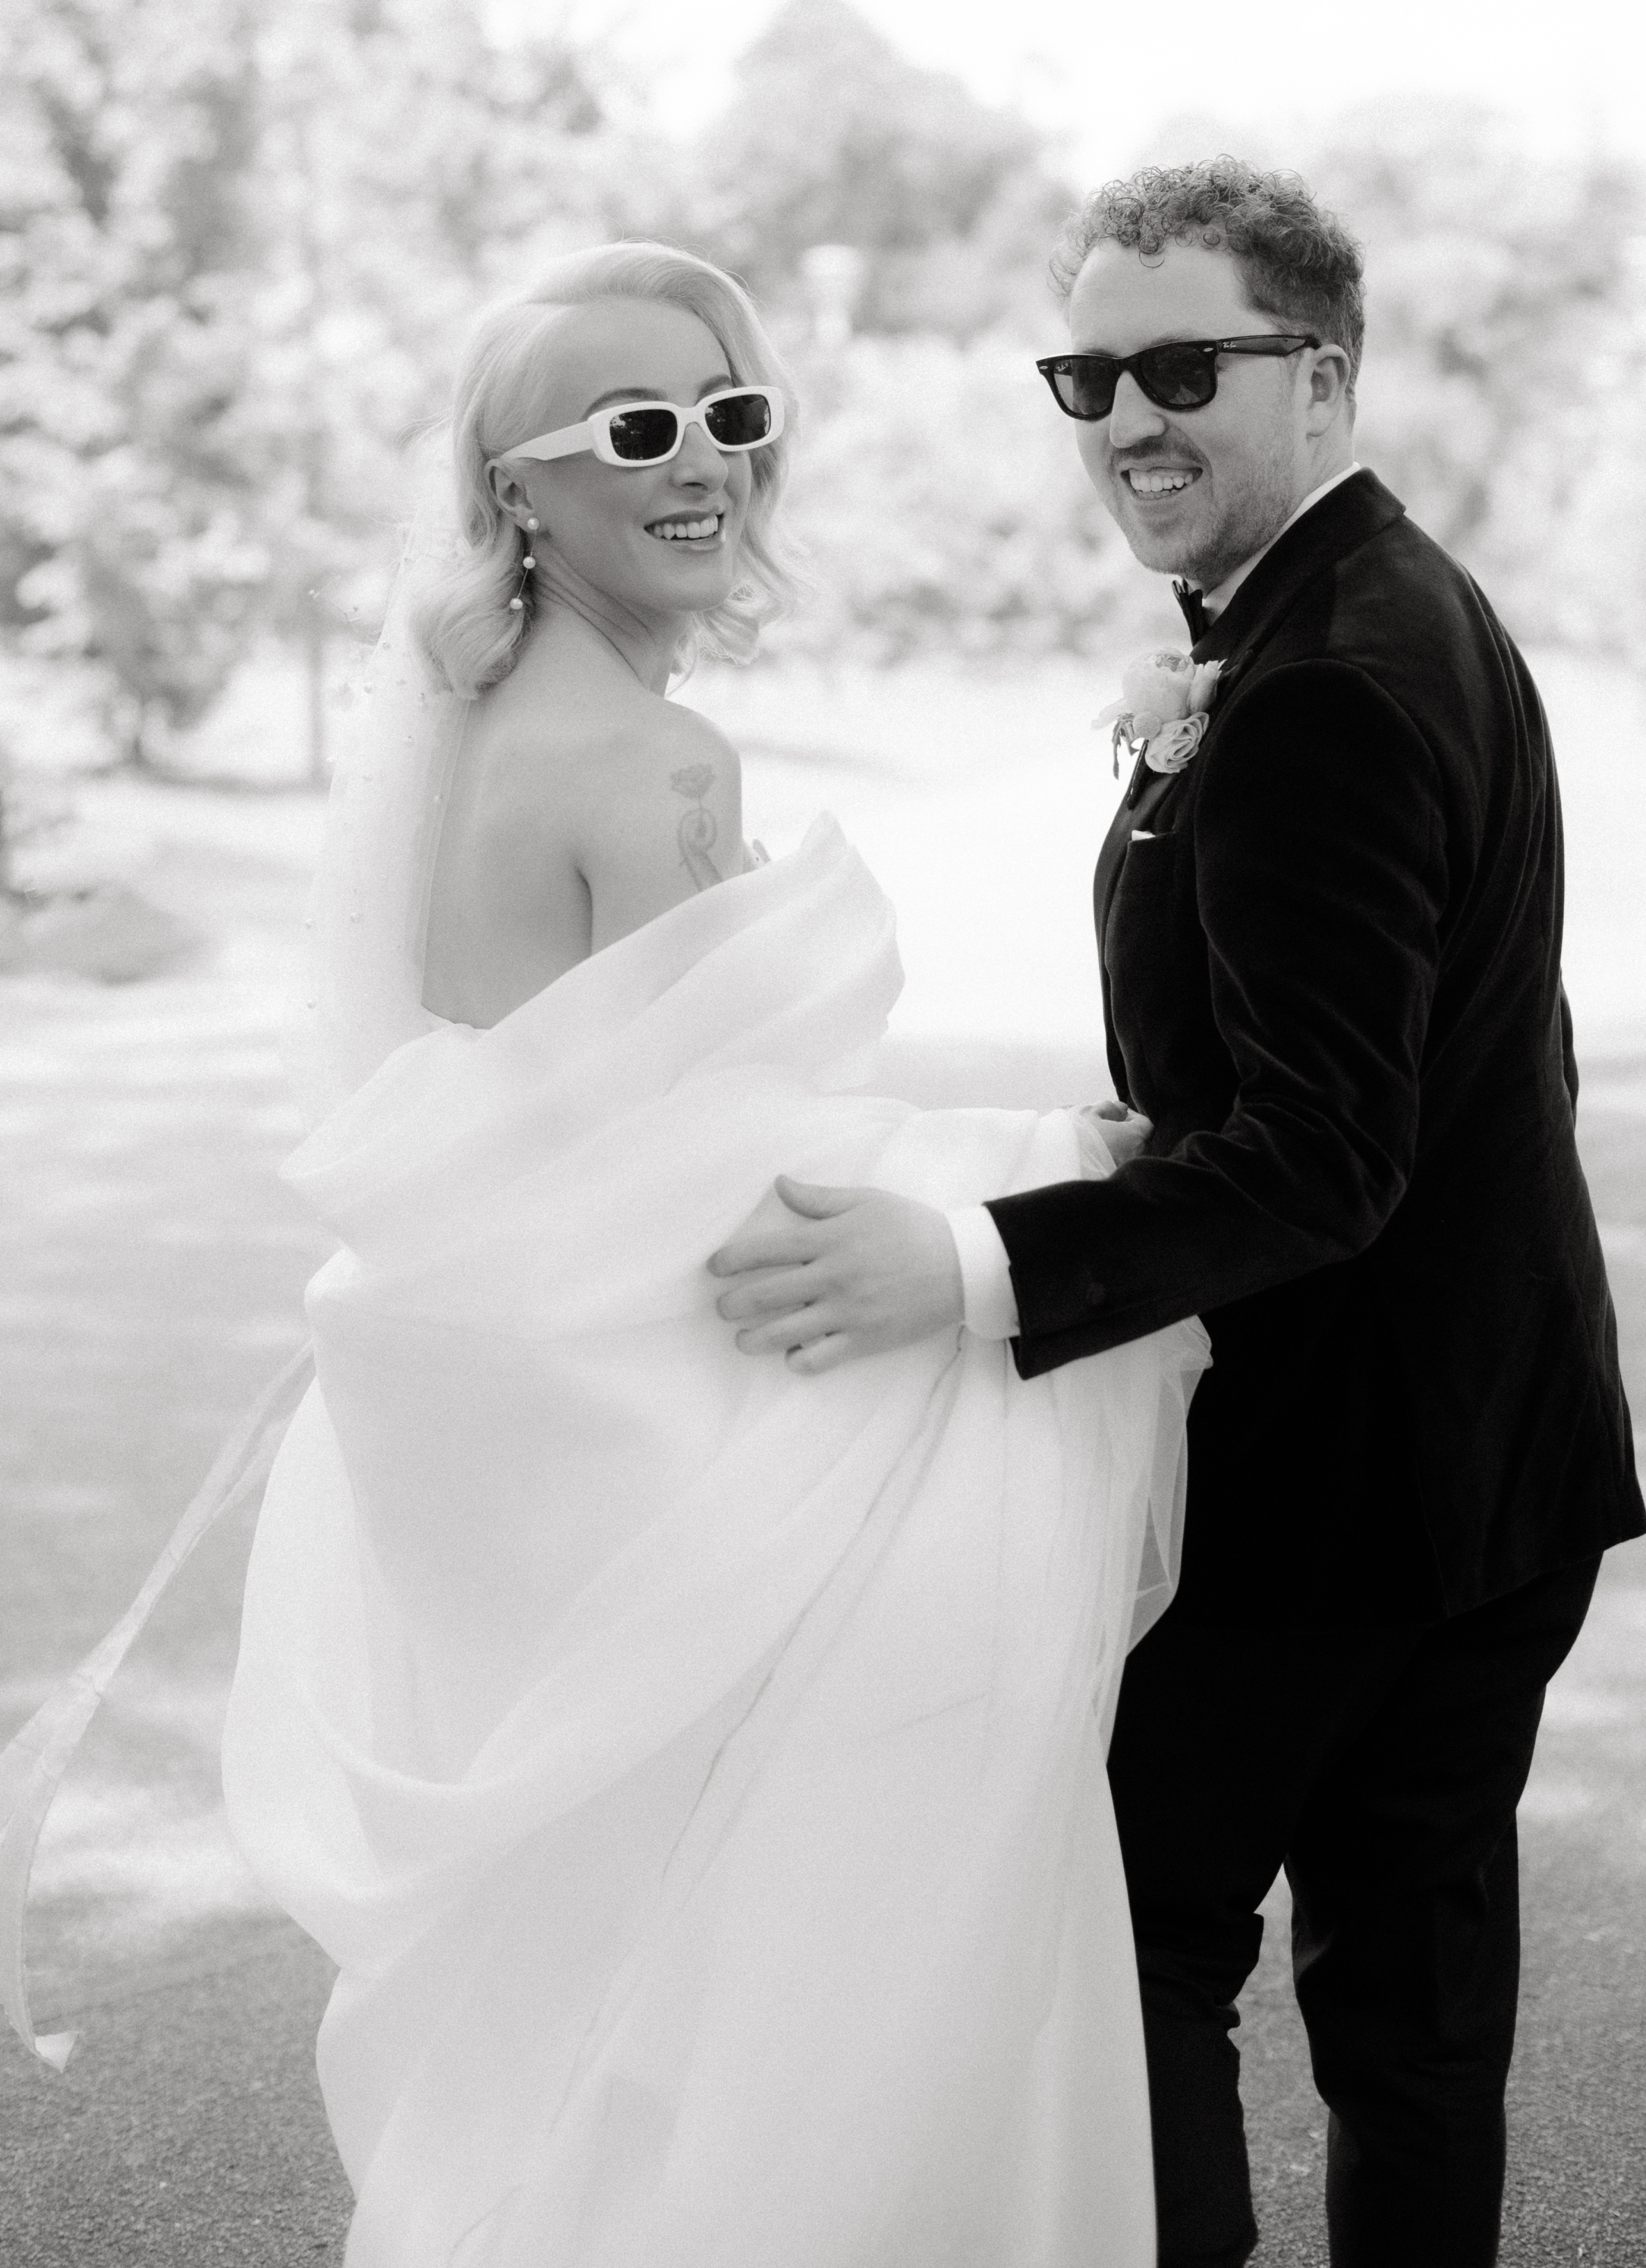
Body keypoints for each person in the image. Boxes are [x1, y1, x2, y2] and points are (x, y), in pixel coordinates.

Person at [218, 240, 1207, 2268]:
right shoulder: (660, 765)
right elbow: (719, 1194)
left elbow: (532, 1122)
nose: (702, 466)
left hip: (529, 1439)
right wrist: (1054, 1165)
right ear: (517, 485)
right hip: (667, 1437)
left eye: (733, 417)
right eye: (637, 430)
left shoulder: (476, 709)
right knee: (837, 1929)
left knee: (630, 1973)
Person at [709, 159, 1646, 2268]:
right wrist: (1133, 1138)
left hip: (1342, 1486)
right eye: (1086, 373)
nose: (1125, 415)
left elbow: (1329, 1149)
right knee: (1411, 2011)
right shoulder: (1391, 602)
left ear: (1318, 373)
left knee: (1128, 1955)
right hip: (1487, 1449)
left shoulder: (1326, 674)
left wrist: (962, 1262)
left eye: (1179, 365)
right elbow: (1438, 1060)